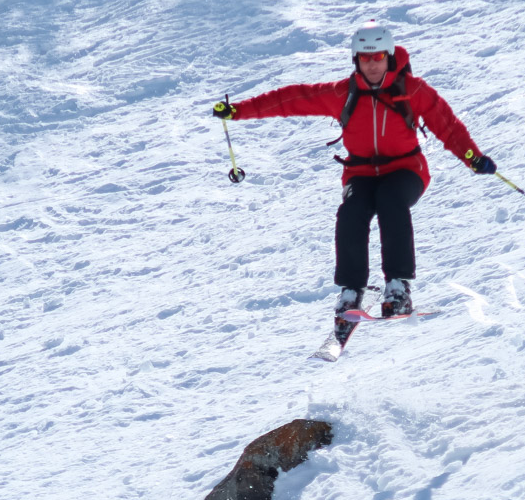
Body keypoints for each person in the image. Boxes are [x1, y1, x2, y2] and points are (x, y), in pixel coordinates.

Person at [213, 20, 497, 319]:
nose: (372, 65)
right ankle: (351, 292)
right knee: (351, 211)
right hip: (360, 173)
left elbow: (447, 126)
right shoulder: (342, 93)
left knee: (391, 201)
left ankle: (398, 287)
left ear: (388, 57)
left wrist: (472, 157)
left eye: (377, 58)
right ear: (355, 60)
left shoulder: (413, 90)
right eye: (365, 58)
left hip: (406, 169)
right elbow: (291, 99)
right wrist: (239, 110)